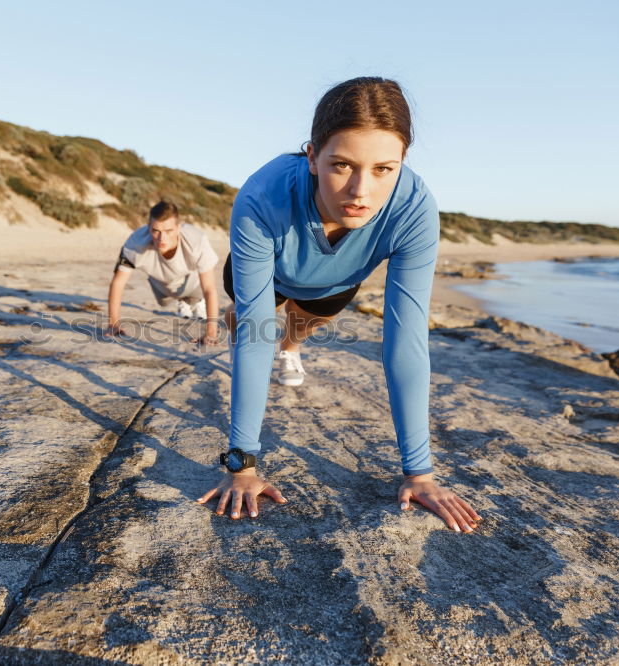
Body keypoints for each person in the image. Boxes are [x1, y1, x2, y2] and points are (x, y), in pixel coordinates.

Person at [197, 77, 483, 533]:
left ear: (402, 162)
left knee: (295, 332)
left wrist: (420, 474)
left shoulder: (414, 208)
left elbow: (406, 339)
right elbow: (253, 338)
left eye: (384, 169)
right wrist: (241, 465)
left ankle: (291, 344)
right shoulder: (261, 196)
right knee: (255, 328)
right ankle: (265, 325)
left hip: (332, 283)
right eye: (342, 165)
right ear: (311, 156)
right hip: (266, 271)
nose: (360, 191)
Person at [105, 201, 221, 345]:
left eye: (168, 231)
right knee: (164, 302)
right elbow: (118, 283)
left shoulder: (196, 240)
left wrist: (211, 333)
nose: (162, 238)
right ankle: (182, 301)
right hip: (161, 283)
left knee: (193, 297)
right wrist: (113, 323)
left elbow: (209, 288)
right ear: (148, 227)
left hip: (190, 281)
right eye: (156, 231)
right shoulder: (135, 243)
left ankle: (196, 302)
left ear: (179, 228)